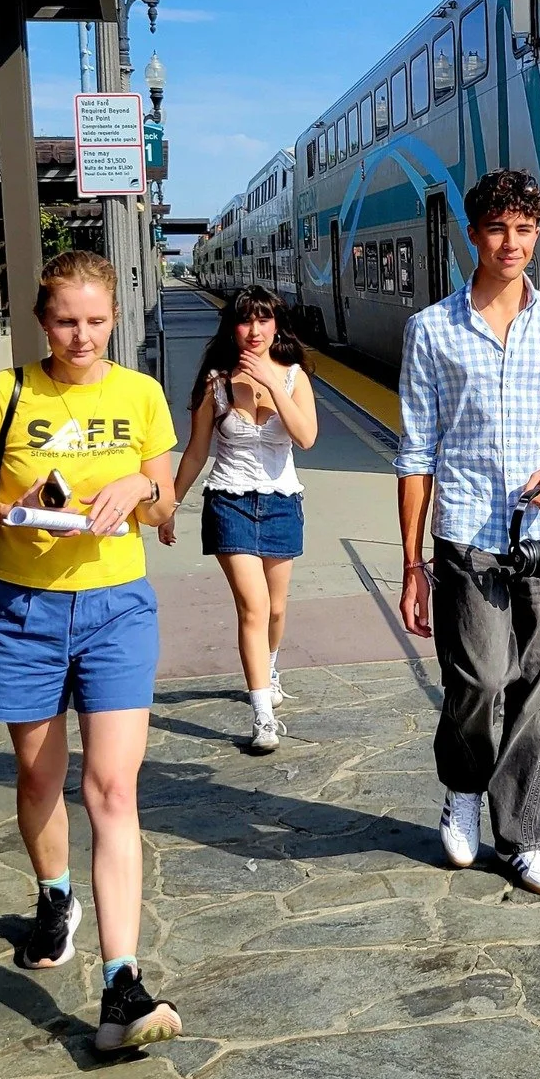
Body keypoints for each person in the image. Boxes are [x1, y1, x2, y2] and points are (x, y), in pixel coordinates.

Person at [0, 251, 183, 1055]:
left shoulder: (140, 394)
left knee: (112, 788)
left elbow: (166, 504)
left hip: (117, 609)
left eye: (96, 320)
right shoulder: (3, 393)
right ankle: (54, 895)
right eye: (67, 321)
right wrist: (12, 509)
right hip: (25, 610)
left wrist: (141, 489)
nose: (82, 335)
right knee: (40, 775)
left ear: (115, 319)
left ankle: (122, 982)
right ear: (42, 322)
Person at [396, 169, 540, 896]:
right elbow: (416, 453)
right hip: (466, 533)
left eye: (523, 229)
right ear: (473, 235)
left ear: (536, 233)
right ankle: (463, 787)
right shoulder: (431, 330)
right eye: (496, 229)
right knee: (480, 678)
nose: (510, 243)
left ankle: (524, 837)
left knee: (537, 688)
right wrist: (412, 565)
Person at [161, 284, 318, 752]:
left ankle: (269, 668)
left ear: (276, 326)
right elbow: (195, 452)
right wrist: (170, 505)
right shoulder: (216, 383)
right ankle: (262, 714)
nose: (254, 330)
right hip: (229, 501)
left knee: (276, 608)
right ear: (232, 327)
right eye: (245, 320)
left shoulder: (294, 378)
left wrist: (270, 382)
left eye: (263, 319)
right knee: (253, 606)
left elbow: (306, 437)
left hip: (281, 503)